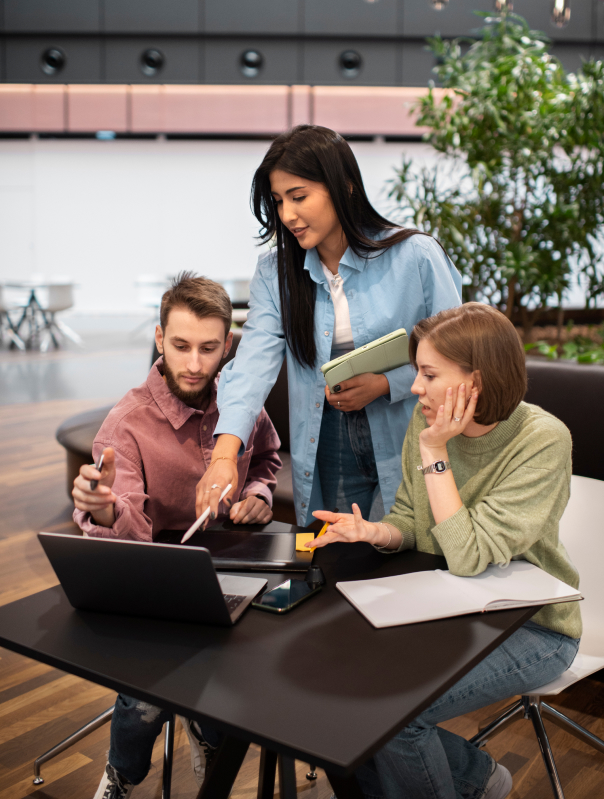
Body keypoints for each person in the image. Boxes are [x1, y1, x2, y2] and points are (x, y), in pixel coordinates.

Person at [309, 303, 581, 799]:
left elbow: (467, 555)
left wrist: (436, 453)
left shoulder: (542, 439)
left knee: (396, 714)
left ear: (475, 381)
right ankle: (474, 779)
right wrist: (375, 532)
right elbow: (411, 521)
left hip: (534, 627)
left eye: (429, 375)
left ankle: (470, 783)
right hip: (450, 606)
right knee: (342, 688)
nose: (415, 388)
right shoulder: (426, 419)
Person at [72, 273, 281, 799]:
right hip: (155, 576)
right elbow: (127, 536)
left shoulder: (240, 403)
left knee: (244, 667)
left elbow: (266, 457)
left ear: (227, 346)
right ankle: (122, 773)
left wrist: (258, 492)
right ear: (160, 338)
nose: (194, 364)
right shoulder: (128, 423)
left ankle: (209, 738)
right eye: (181, 346)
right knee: (149, 688)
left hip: (231, 566)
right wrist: (103, 511)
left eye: (209, 349)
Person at [197, 124, 462, 528]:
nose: (287, 215)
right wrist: (223, 457)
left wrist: (385, 384)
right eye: (278, 201)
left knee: (407, 549)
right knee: (339, 553)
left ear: (345, 186)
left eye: (299, 196)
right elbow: (251, 366)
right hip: (329, 439)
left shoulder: (416, 256)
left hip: (413, 432)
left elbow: (458, 358)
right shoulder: (275, 273)